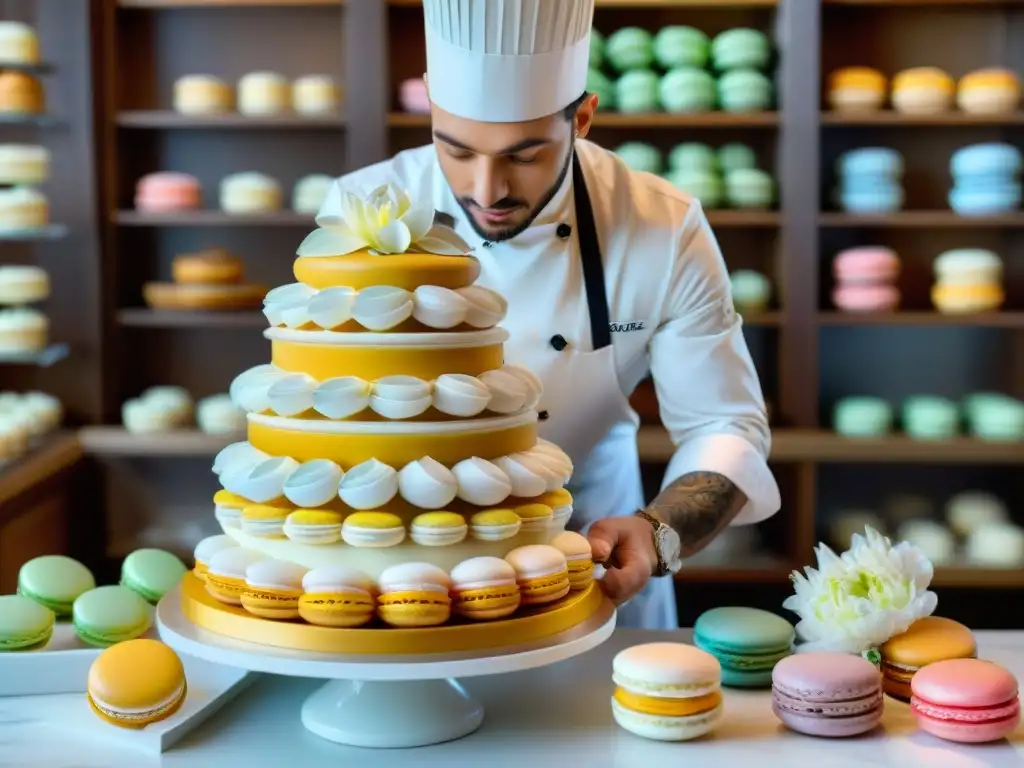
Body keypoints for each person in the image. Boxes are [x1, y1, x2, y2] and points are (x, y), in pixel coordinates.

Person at [318, 0, 781, 629]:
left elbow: (724, 425)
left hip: (594, 549)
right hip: (402, 564)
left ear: (583, 117)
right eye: (455, 150)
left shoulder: (662, 227)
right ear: (429, 101)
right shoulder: (360, 209)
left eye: (524, 155)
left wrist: (659, 531)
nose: (487, 190)